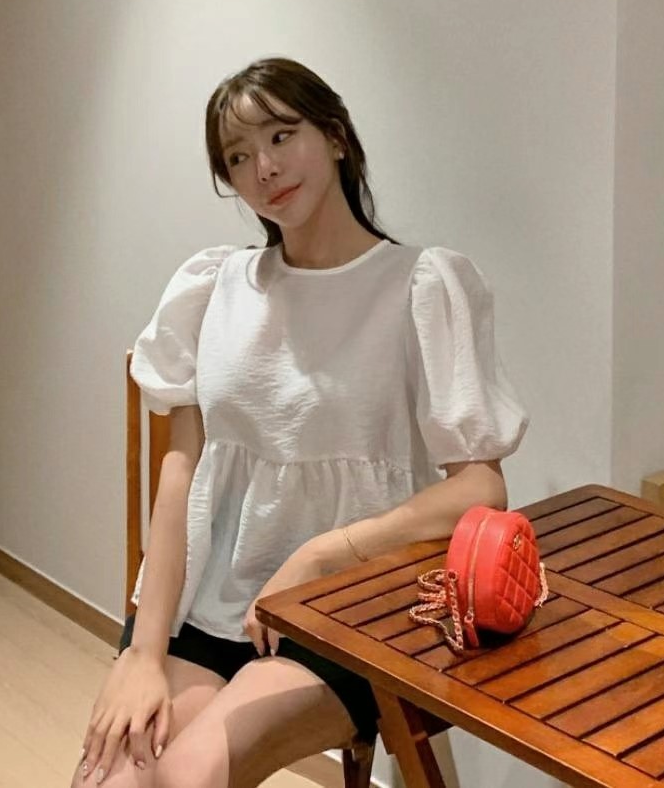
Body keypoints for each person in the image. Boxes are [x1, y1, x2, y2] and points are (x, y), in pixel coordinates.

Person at [72, 57, 529, 788]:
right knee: (112, 779)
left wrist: (319, 555)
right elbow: (181, 476)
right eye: (238, 157)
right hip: (211, 602)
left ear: (336, 136)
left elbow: (481, 487)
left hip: (348, 607)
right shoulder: (214, 287)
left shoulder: (419, 285)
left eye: (282, 136)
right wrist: (143, 655)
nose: (265, 169)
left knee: (188, 773)